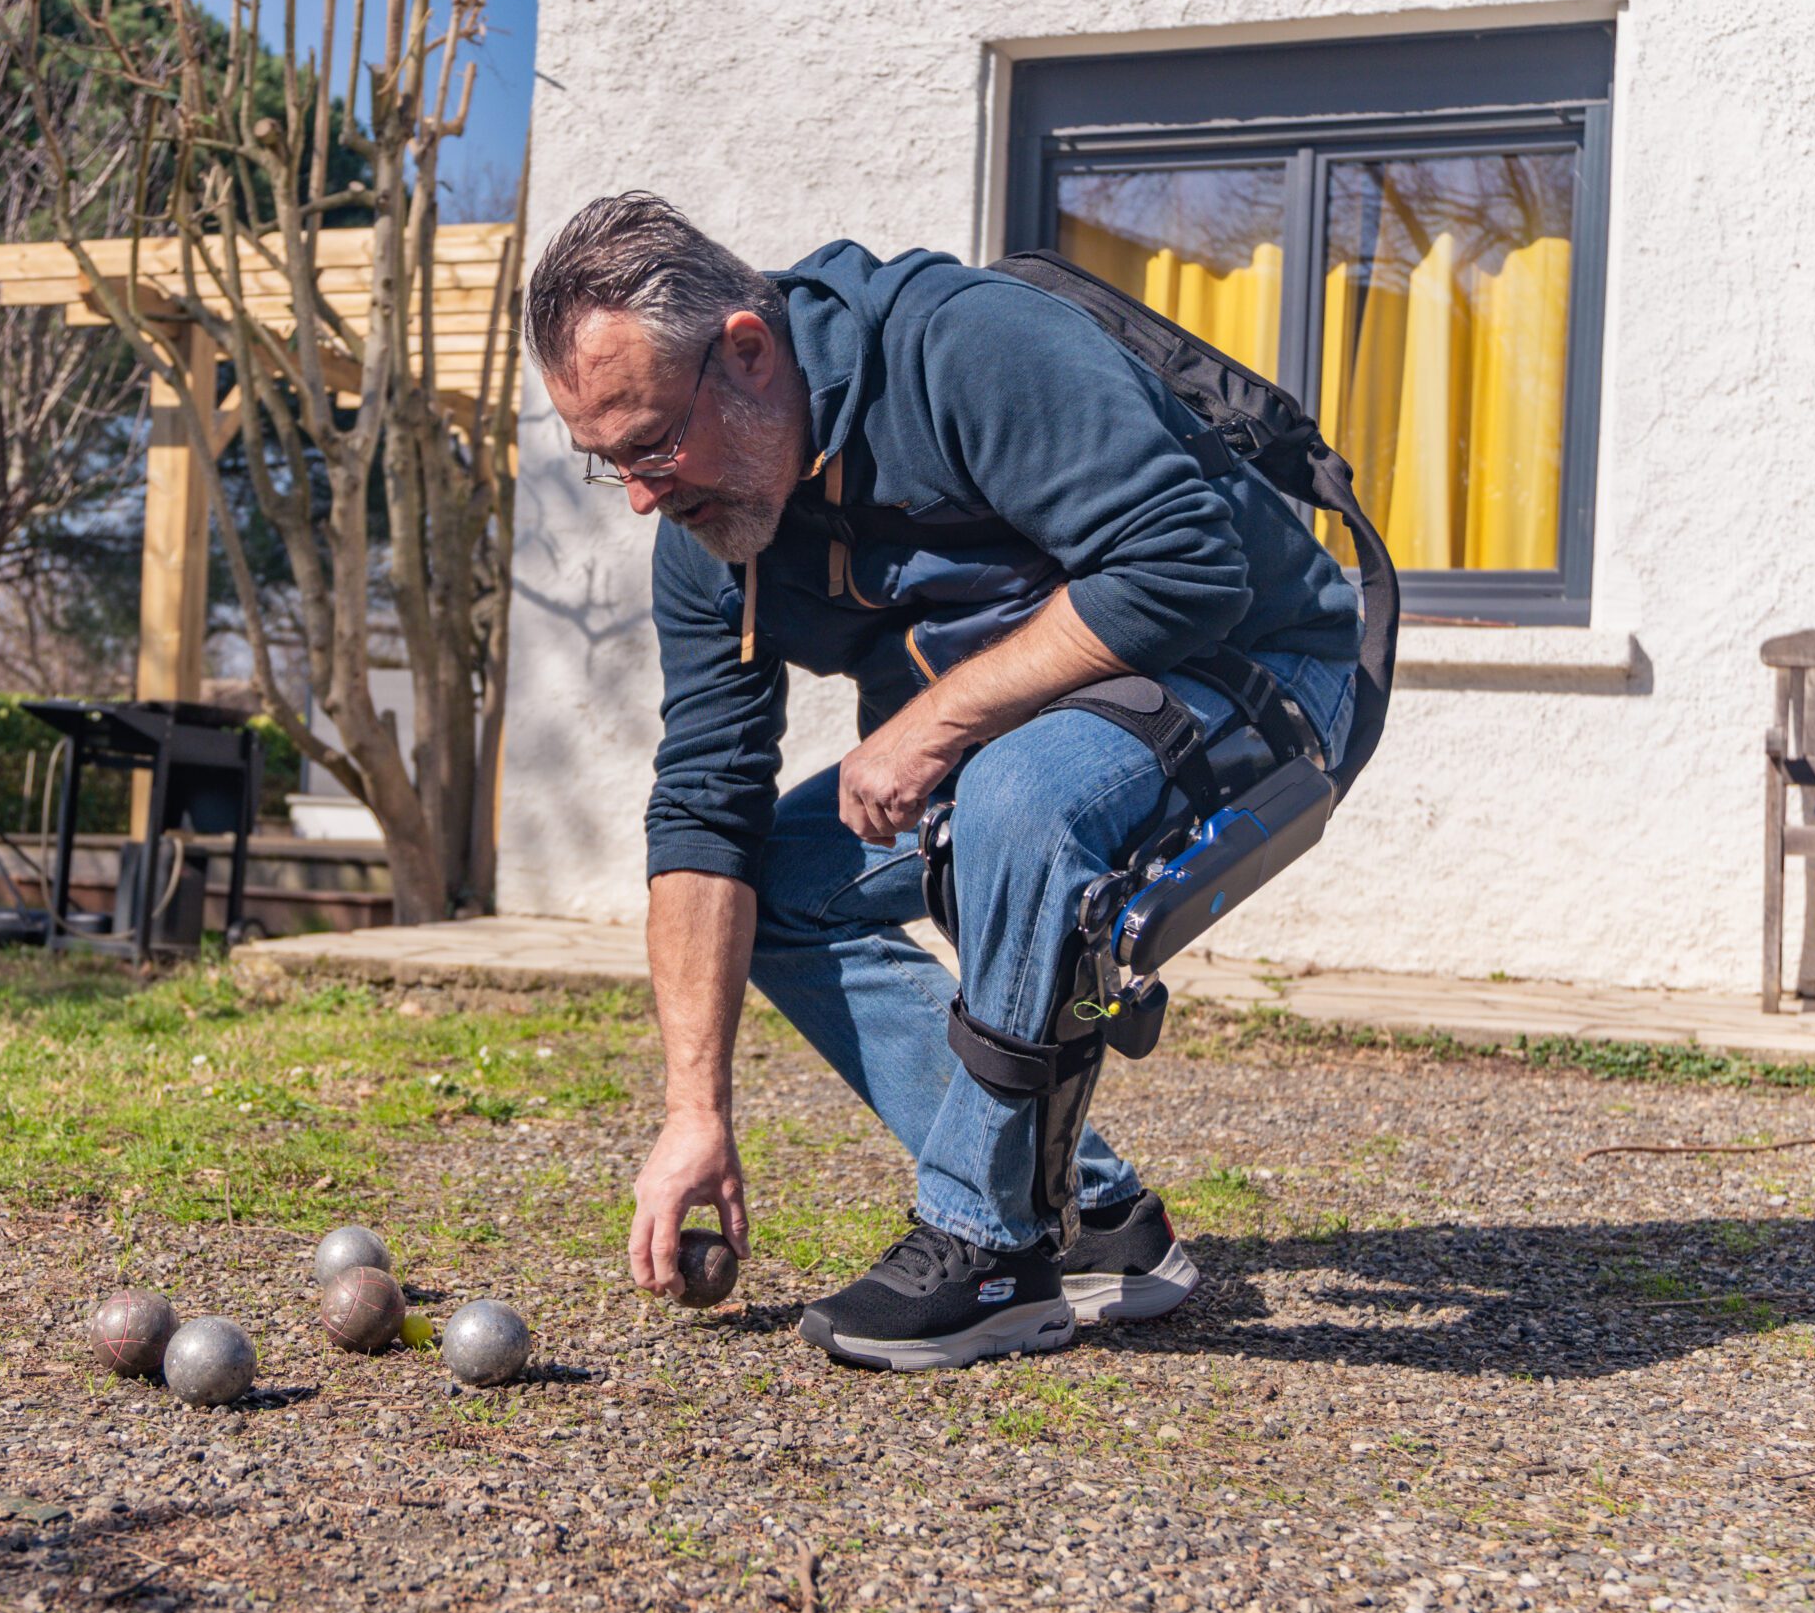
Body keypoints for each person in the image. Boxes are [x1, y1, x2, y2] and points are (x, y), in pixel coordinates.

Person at [522, 193, 1363, 1370]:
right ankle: (1099, 1223)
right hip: (1063, 717)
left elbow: (1185, 566)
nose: (643, 496)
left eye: (652, 445)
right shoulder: (710, 541)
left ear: (748, 355)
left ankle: (990, 1245)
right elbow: (702, 808)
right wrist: (693, 1111)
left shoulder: (963, 348)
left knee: (1018, 790)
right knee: (782, 877)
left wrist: (933, 726)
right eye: (606, 459)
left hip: (1266, 666)